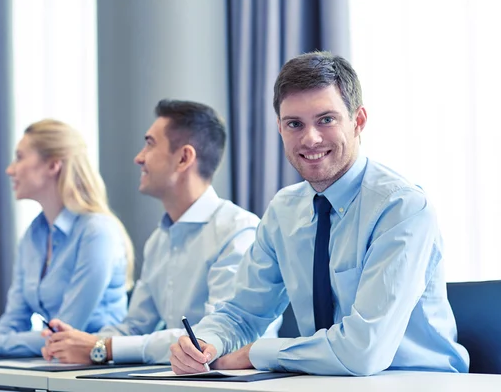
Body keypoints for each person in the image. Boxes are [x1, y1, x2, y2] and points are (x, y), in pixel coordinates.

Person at [169, 52, 470, 376]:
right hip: (322, 381)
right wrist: (204, 343)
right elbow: (243, 313)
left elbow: (363, 350)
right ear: (280, 128)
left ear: (358, 121)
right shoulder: (284, 210)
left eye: (326, 119)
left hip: (418, 382)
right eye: (294, 124)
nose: (310, 138)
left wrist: (257, 352)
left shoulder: (402, 208)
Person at [41, 100, 281, 365]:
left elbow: (211, 341)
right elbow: (134, 327)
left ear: (183, 158)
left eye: (150, 143)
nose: (139, 157)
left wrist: (104, 347)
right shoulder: (159, 240)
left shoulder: (238, 231)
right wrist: (78, 341)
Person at [0, 119, 134, 358]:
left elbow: (65, 333)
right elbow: (13, 323)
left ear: (53, 165)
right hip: (57, 367)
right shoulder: (34, 235)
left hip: (97, 370)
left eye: (19, 157)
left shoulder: (97, 232)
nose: (10, 169)